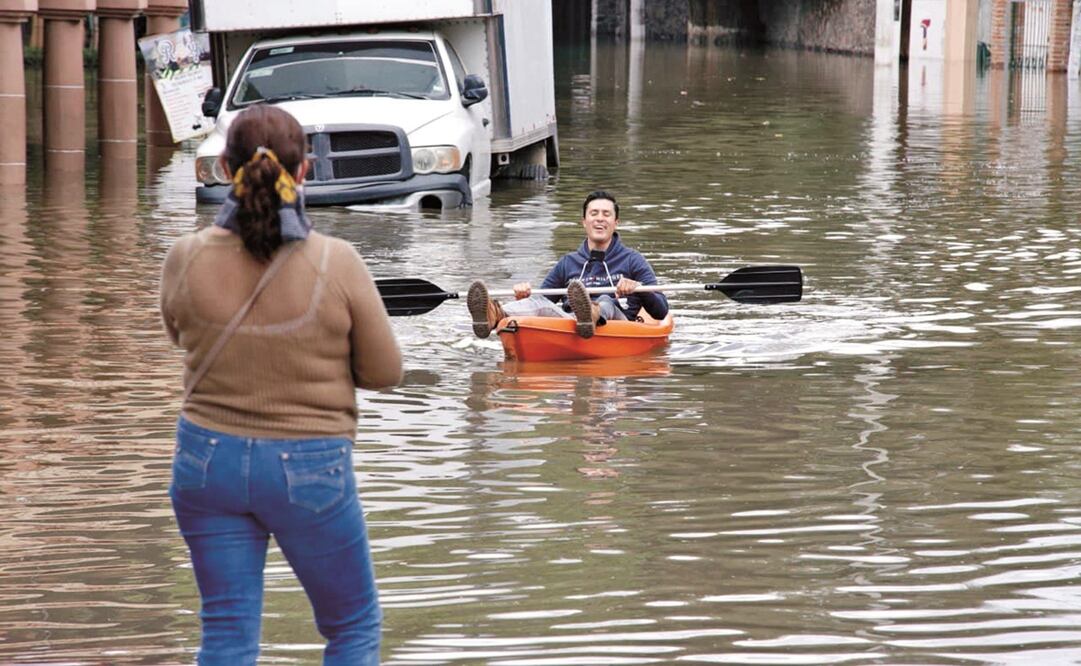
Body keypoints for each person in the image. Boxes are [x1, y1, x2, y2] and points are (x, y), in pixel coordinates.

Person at [159, 104, 402, 665]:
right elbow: (386, 373)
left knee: (225, 634)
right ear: (307, 170)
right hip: (310, 468)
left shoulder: (184, 257)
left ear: (224, 167)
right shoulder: (336, 263)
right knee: (352, 629)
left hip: (206, 462)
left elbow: (179, 334)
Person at [468, 190, 668, 339]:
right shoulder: (568, 263)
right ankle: (493, 314)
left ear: (616, 222)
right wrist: (524, 296)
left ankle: (591, 313)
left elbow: (661, 311)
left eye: (606, 214)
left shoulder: (633, 259)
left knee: (606, 299)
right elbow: (542, 300)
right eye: (594, 213)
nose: (599, 218)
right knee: (538, 304)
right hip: (572, 323)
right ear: (584, 221)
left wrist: (640, 289)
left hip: (618, 324)